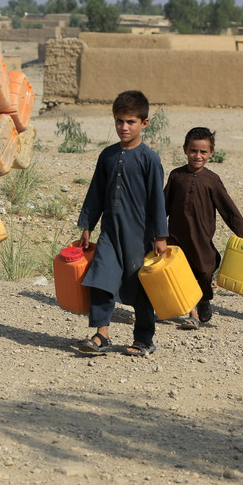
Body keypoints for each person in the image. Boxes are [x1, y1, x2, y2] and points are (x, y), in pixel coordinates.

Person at [75, 90, 168, 356]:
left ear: (144, 123)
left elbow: (157, 200)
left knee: (140, 286)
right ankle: (101, 334)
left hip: (139, 236)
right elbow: (95, 193)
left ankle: (144, 339)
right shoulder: (107, 156)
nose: (124, 127)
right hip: (110, 233)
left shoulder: (149, 159)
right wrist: (87, 225)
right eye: (119, 121)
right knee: (100, 278)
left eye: (130, 122)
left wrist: (160, 236)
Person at [164, 127, 243, 329]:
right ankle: (192, 314)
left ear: (211, 153)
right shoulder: (176, 176)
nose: (198, 156)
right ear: (185, 149)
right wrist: (155, 230)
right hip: (177, 237)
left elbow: (227, 206)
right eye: (193, 151)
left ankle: (204, 299)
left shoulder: (212, 179)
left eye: (203, 152)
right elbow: (163, 205)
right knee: (183, 274)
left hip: (202, 239)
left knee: (204, 272)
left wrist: (242, 230)